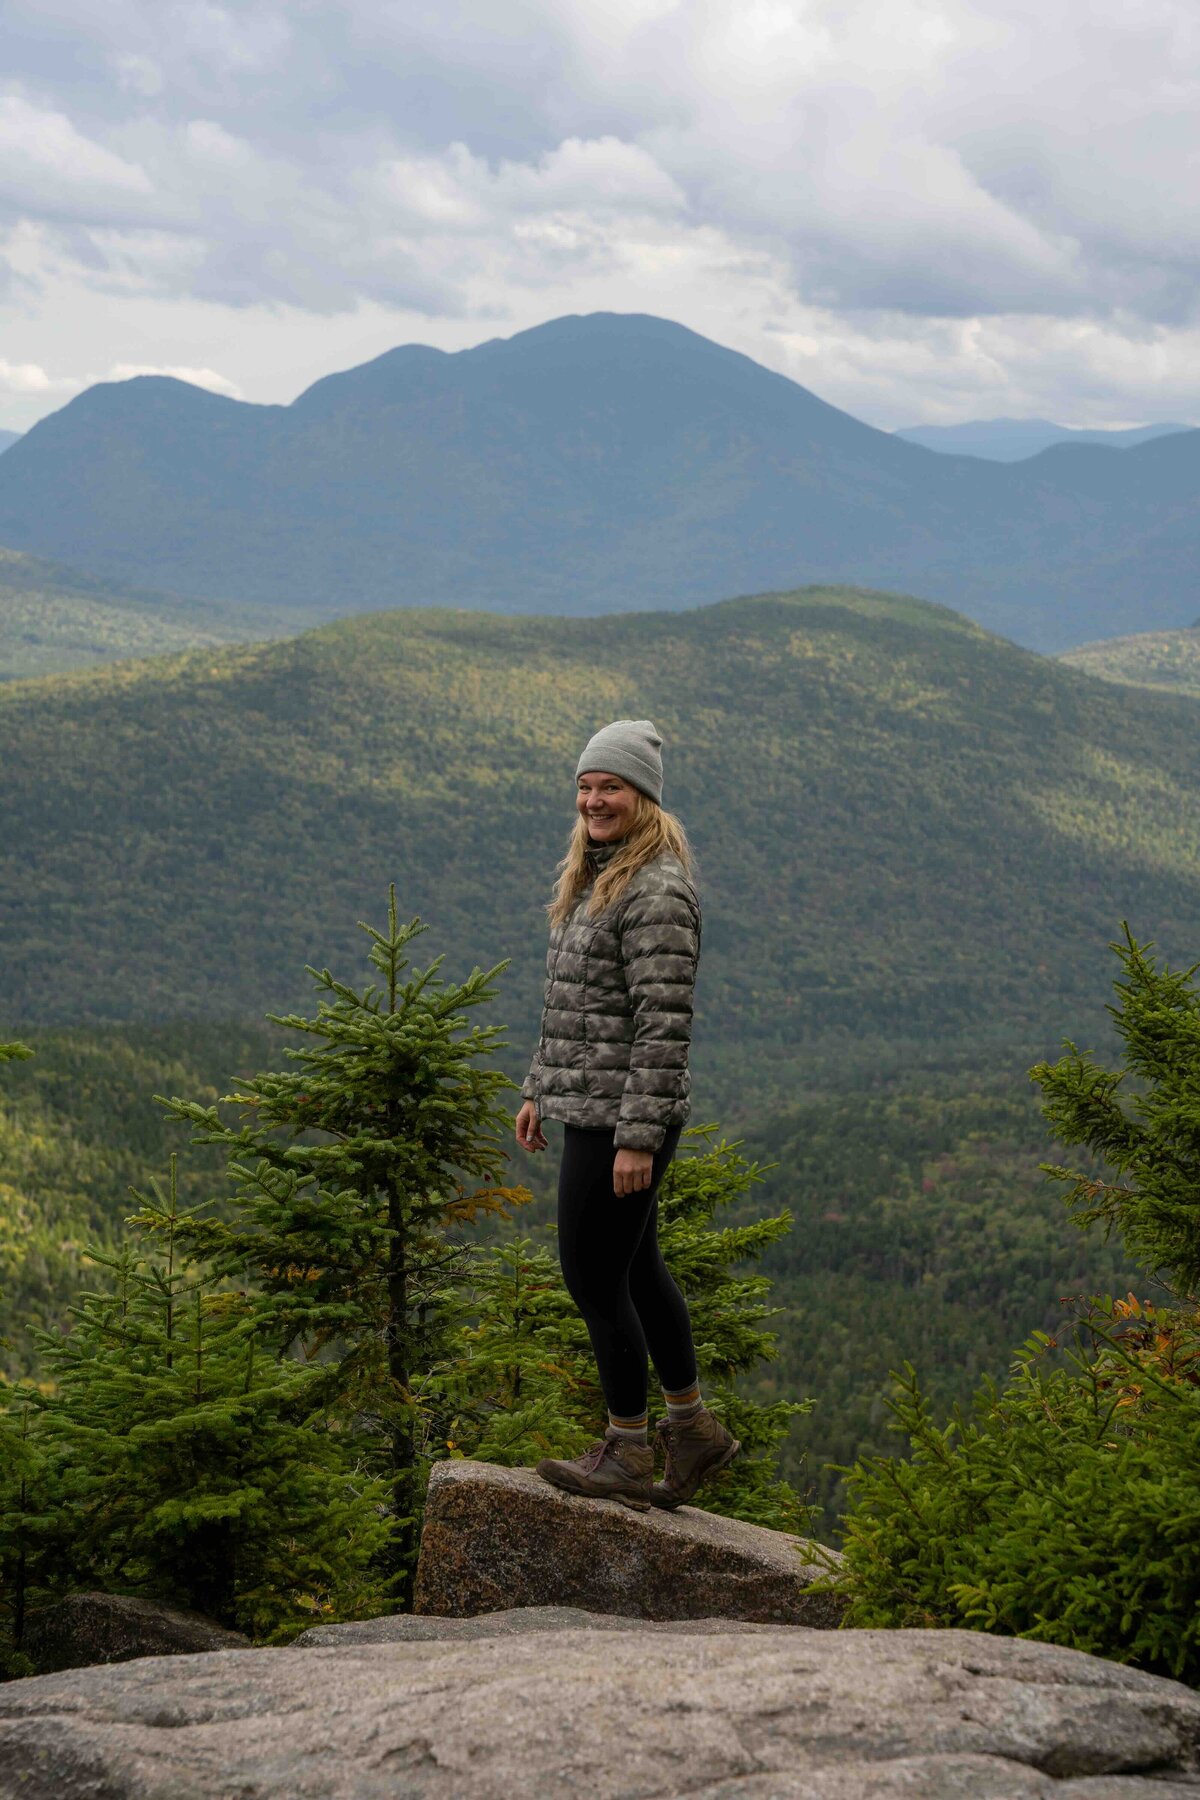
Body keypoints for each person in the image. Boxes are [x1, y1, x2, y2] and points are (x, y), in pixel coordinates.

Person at [515, 718, 740, 1512]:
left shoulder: (656, 890)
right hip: (591, 1104)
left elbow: (662, 1021)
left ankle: (628, 1448)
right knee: (637, 1270)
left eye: (611, 786)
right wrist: (541, 1085)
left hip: (623, 1119)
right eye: (585, 786)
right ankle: (695, 1431)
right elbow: (575, 1006)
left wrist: (637, 1137)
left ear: (644, 798)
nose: (593, 799)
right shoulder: (596, 876)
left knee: (592, 1274)